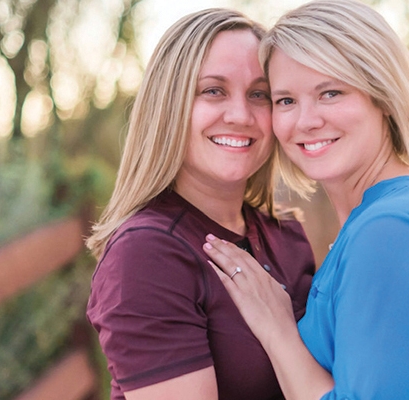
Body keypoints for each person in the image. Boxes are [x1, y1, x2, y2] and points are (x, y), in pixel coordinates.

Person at [202, 0, 409, 399]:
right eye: (286, 100)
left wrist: (277, 330)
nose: (306, 120)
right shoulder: (377, 219)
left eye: (330, 92)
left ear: (383, 97)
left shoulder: (394, 230)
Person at [85, 8, 315, 400]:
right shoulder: (147, 254)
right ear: (169, 106)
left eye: (259, 94)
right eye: (213, 90)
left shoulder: (286, 235)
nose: (240, 115)